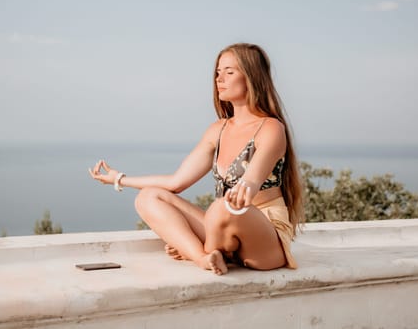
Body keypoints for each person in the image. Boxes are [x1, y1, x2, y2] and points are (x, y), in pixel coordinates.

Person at [89, 43, 304, 275]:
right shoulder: (217, 130)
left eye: (229, 72)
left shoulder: (271, 128)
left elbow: (252, 179)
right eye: (217, 73)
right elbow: (176, 182)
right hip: (222, 228)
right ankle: (204, 257)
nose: (219, 79)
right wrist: (119, 179)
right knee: (148, 197)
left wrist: (248, 186)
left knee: (222, 208)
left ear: (252, 77)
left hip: (265, 237)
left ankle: (203, 249)